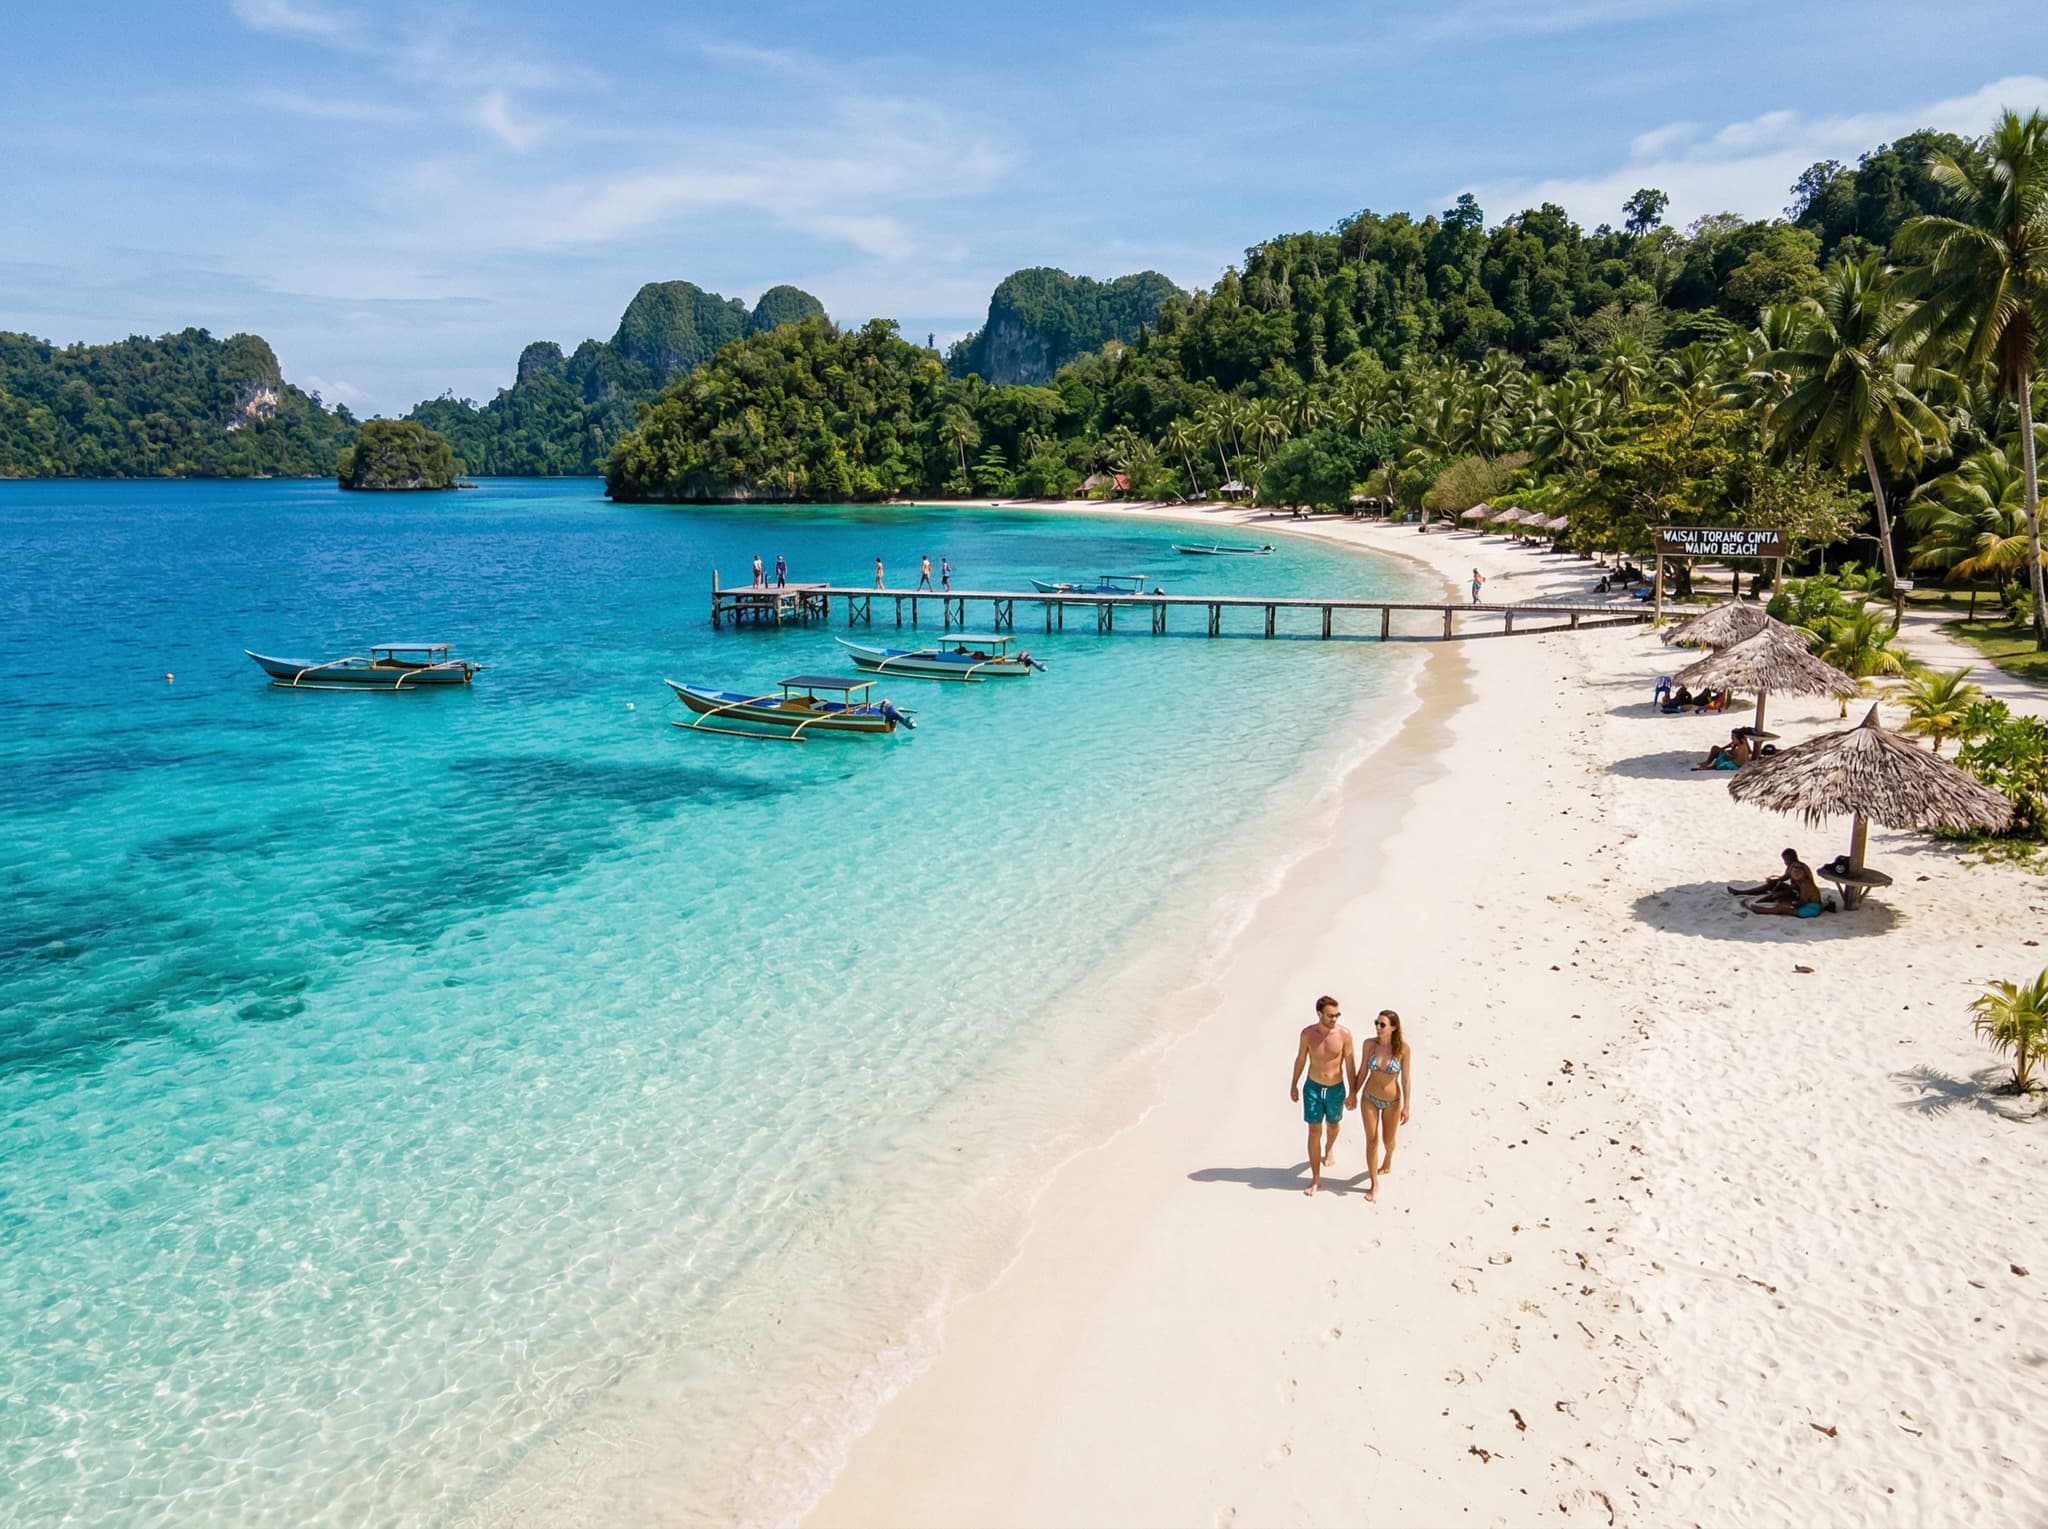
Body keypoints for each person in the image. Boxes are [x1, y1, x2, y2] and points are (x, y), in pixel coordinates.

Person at [1290, 995, 1357, 1197]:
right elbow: (1301, 1059)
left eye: (1337, 1015)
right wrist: (1293, 1084)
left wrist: (1353, 1092)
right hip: (1312, 1088)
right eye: (1330, 1016)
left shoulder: (1344, 1035)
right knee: (1313, 1131)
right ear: (1319, 1014)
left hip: (1336, 1089)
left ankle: (1329, 1148)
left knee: (1334, 1125)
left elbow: (1350, 1063)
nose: (1334, 1019)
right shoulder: (1308, 1034)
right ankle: (1316, 1179)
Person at [1349, 1009, 1411, 1202]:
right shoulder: (1369, 1044)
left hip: (1392, 1102)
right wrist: (1353, 1093)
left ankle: (1388, 1157)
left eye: (1382, 1025)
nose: (1377, 1027)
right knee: (1372, 1140)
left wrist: (1406, 1106)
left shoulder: (1403, 1049)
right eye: (1376, 1023)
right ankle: (1374, 1183)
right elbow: (1362, 1072)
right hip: (1369, 1098)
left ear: (1393, 1028)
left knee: (1388, 1141)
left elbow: (1406, 1079)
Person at [1746, 850, 1825, 918]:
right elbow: (1783, 878)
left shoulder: (1805, 883)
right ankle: (1760, 905)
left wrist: (1792, 905)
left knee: (1780, 908)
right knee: (1781, 904)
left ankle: (1759, 908)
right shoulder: (1798, 871)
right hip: (1811, 906)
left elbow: (1802, 902)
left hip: (1811, 909)